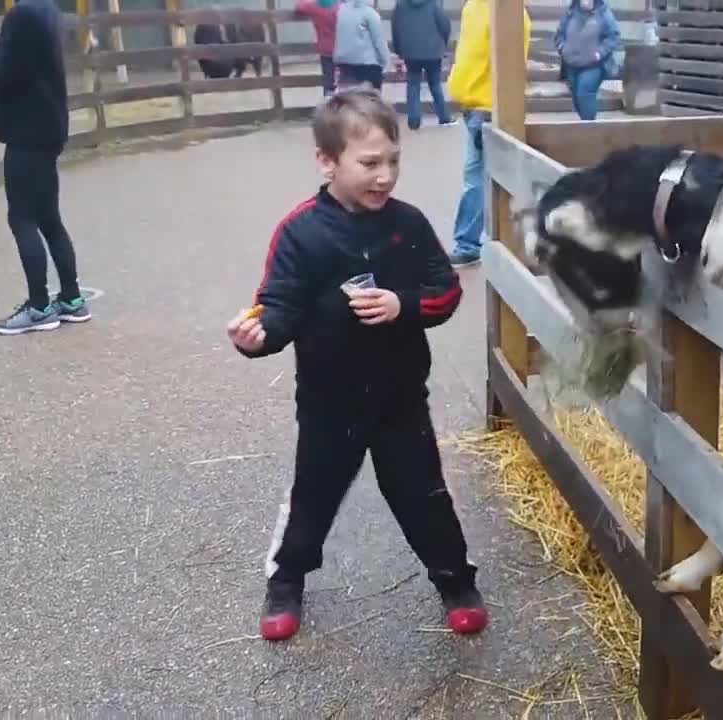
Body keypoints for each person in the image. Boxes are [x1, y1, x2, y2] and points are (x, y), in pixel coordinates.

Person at [225, 89, 486, 642]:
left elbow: (445, 291)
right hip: (327, 403)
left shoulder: (408, 226)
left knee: (425, 496)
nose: (385, 176)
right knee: (312, 498)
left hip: (399, 400)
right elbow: (278, 307)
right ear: (327, 161)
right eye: (369, 163)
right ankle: (286, 579)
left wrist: (403, 305)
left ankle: (456, 581)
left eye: (393, 161)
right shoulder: (301, 232)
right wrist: (256, 337)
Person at [0, 5, 90, 335]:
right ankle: (72, 300)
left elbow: (4, 78)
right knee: (48, 218)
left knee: (21, 218)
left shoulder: (21, 14)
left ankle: (39, 308)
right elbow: (17, 65)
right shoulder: (44, 9)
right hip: (47, 128)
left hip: (28, 132)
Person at [443, 0, 530, 267]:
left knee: (478, 180)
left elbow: (509, 66)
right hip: (474, 105)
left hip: (486, 107)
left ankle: (470, 244)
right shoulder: (475, 7)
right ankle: (484, 241)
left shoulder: (509, 14)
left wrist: (495, 107)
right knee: (480, 178)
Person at [391, 0, 453, 130]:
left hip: (410, 51)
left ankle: (414, 120)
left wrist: (399, 50)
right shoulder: (433, 3)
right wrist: (443, 43)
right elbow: (444, 25)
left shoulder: (401, 5)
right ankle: (444, 117)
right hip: (433, 50)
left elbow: (395, 28)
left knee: (413, 85)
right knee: (435, 84)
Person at [553, 0, 620, 121]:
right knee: (576, 98)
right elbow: (559, 34)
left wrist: (600, 52)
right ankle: (585, 124)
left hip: (593, 65)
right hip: (571, 64)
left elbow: (613, 36)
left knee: (585, 92)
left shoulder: (603, 14)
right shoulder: (570, 13)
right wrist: (562, 48)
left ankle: (589, 128)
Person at [333, 0, 391, 92]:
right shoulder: (370, 14)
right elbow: (379, 41)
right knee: (371, 101)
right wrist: (386, 61)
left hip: (344, 63)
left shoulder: (341, 11)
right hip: (367, 65)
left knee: (348, 100)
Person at [293, 0, 341, 97]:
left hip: (325, 50)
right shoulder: (340, 7)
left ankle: (329, 105)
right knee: (344, 82)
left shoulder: (314, 6)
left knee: (328, 82)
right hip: (342, 50)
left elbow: (298, 6)